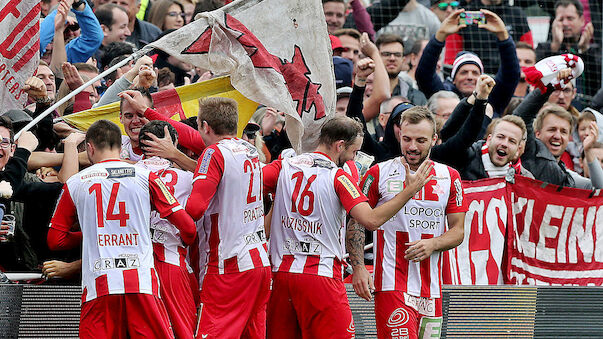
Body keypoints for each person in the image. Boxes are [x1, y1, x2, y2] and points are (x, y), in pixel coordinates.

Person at [262, 115, 434, 338]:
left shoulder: (283, 166)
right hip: (320, 276)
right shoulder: (339, 177)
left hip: (280, 275)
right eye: (353, 152)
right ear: (339, 145)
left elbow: (247, 184)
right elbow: (370, 220)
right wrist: (409, 191)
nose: (354, 158)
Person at [47, 119, 196, 338]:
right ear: (120, 146)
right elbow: (189, 228)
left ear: (89, 147)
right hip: (142, 283)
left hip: (99, 285)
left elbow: (55, 240)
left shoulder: (76, 182)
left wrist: (94, 232)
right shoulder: (146, 177)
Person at [357, 106, 466, 339]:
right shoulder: (379, 173)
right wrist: (357, 266)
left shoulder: (450, 176)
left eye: (421, 140)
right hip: (391, 281)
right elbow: (357, 222)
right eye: (406, 139)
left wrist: (434, 244)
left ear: (434, 140)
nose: (412, 147)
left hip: (432, 287)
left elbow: (458, 231)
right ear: (399, 136)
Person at [185, 97, 271, 339]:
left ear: (204, 126)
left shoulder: (213, 153)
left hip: (229, 263)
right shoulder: (251, 150)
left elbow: (195, 208)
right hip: (259, 260)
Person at [135, 121, 197, 339]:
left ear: (140, 145)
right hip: (171, 261)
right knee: (183, 330)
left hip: (135, 266)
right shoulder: (190, 178)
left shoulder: (128, 174)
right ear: (176, 142)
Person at [416, 9, 520, 118]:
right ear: (453, 79)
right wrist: (441, 35)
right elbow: (424, 74)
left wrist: (503, 36)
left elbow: (510, 75)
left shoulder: (493, 99)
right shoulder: (443, 97)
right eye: (464, 72)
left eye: (475, 73)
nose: (469, 77)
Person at [513, 69, 603, 188]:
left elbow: (600, 189)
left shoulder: (567, 177)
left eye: (563, 132)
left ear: (569, 138)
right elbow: (520, 117)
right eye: (552, 129)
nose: (557, 136)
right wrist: (550, 85)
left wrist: (588, 151)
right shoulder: (527, 154)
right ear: (537, 133)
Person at [536, 0, 601, 97]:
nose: (565, 23)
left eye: (570, 18)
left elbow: (595, 82)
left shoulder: (594, 51)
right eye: (561, 19)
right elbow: (540, 77)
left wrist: (584, 51)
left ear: (582, 20)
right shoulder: (544, 48)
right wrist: (555, 46)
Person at [39, 0, 104, 64]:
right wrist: (60, 14)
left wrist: (78, 3)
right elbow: (39, 42)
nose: (70, 33)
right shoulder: (35, 53)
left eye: (74, 27)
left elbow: (94, 38)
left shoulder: (69, 52)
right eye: (66, 29)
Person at [376, 34, 427, 106]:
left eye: (397, 55)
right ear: (376, 57)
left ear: (403, 60)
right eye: (386, 54)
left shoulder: (417, 98)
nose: (392, 58)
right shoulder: (365, 92)